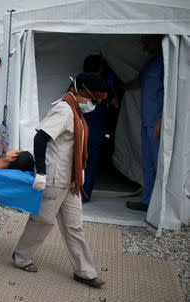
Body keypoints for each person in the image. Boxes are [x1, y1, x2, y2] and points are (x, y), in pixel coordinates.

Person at [12, 73, 108, 288]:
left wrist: (79, 171)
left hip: (71, 180)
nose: (94, 105)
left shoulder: (76, 111)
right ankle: (21, 257)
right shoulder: (64, 110)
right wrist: (41, 172)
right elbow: (40, 137)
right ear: (82, 93)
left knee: (75, 226)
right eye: (93, 100)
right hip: (55, 178)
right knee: (42, 221)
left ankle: (84, 271)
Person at [125, 35, 164, 212]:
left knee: (158, 164)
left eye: (145, 41)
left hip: (157, 122)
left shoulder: (166, 62)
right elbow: (138, 82)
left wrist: (162, 120)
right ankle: (147, 201)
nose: (143, 45)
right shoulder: (150, 64)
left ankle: (160, 206)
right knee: (148, 163)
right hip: (146, 121)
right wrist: (116, 87)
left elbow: (171, 92)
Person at [80, 55, 121, 202]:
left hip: (80, 127)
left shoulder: (79, 82)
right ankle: (84, 194)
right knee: (90, 162)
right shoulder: (101, 83)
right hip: (96, 129)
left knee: (76, 160)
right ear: (100, 68)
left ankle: (73, 192)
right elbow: (115, 103)